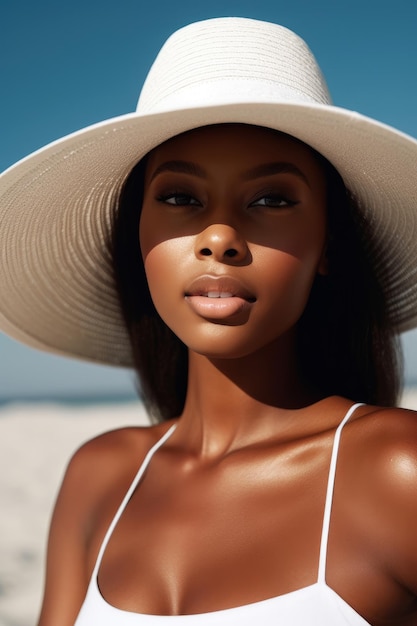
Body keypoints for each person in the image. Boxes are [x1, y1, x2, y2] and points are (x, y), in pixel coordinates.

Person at [0, 16, 417, 626]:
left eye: (272, 199)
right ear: (137, 236)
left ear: (327, 245)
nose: (219, 237)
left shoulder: (398, 470)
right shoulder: (100, 477)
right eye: (179, 198)